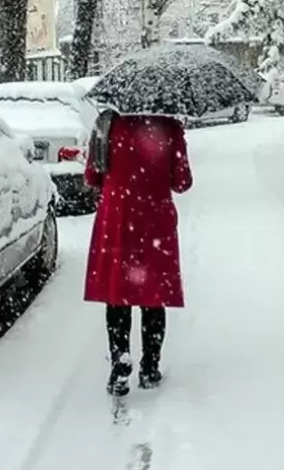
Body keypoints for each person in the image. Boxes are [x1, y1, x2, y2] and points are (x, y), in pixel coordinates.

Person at [84, 109, 193, 396]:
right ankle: (150, 368)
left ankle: (120, 363)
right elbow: (182, 183)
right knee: (153, 294)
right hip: (154, 219)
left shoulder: (107, 123)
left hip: (117, 218)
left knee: (118, 293)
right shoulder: (169, 127)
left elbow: (92, 176)